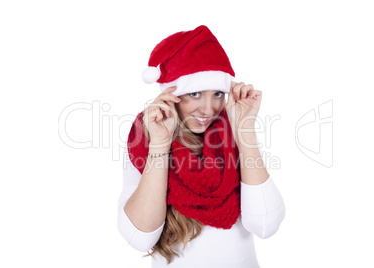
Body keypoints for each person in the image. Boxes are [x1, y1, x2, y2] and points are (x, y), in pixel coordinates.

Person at [117, 25, 285, 268]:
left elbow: (266, 225)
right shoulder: (143, 140)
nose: (209, 110)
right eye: (195, 93)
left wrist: (245, 130)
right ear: (170, 94)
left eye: (218, 94)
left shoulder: (236, 132)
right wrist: (160, 145)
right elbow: (140, 237)